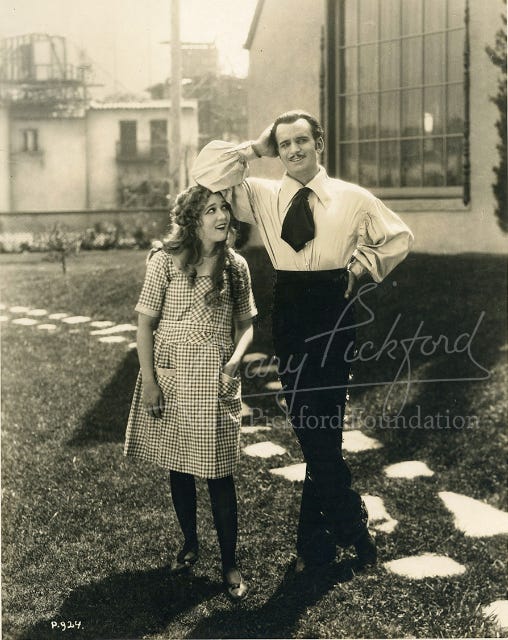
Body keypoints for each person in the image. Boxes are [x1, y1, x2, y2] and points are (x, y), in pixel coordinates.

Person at [192, 110, 414, 575]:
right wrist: (255, 148)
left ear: (320, 144)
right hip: (290, 310)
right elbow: (206, 170)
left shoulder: (351, 198)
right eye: (285, 143)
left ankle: (321, 543)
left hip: (334, 309)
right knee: (309, 426)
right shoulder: (259, 195)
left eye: (301, 141)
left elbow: (398, 237)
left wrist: (360, 267)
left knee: (323, 429)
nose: (293, 150)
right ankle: (346, 524)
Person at [124, 185, 257, 600]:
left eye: (224, 209)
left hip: (214, 376)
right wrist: (149, 379)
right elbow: (145, 324)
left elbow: (247, 324)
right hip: (171, 374)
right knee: (178, 465)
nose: (221, 216)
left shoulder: (236, 267)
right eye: (210, 210)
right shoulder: (164, 261)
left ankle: (230, 562)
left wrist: (234, 361)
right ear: (192, 219)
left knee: (219, 473)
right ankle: (189, 543)